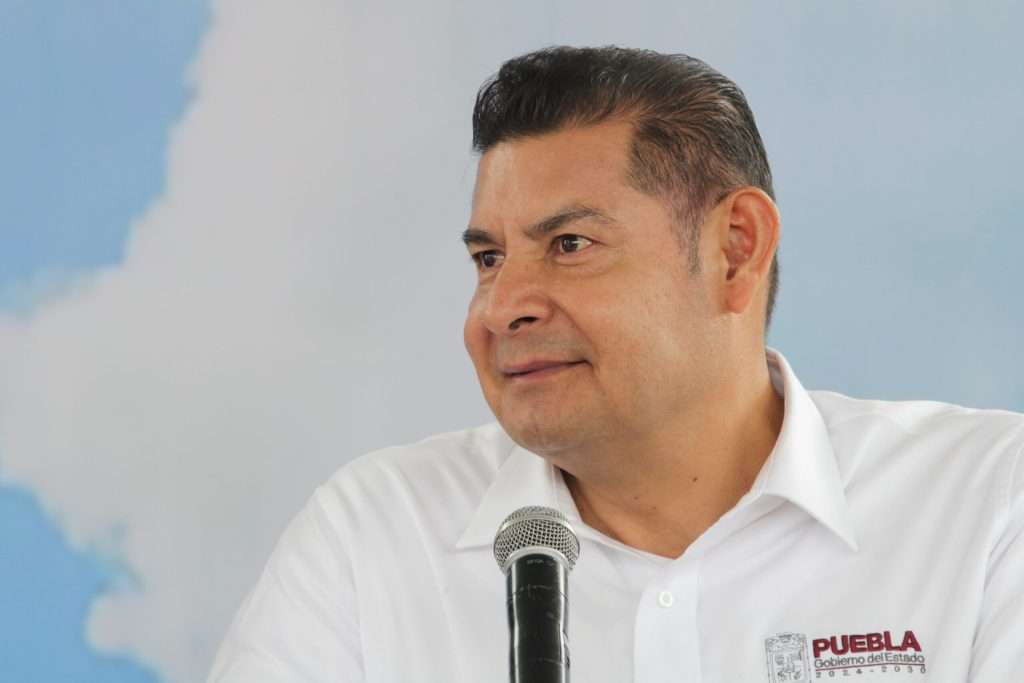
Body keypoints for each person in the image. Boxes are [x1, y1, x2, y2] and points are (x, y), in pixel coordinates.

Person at [208, 46, 1023, 682]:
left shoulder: (987, 503)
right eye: (489, 258)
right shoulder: (372, 537)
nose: (503, 307)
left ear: (736, 250)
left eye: (569, 244)